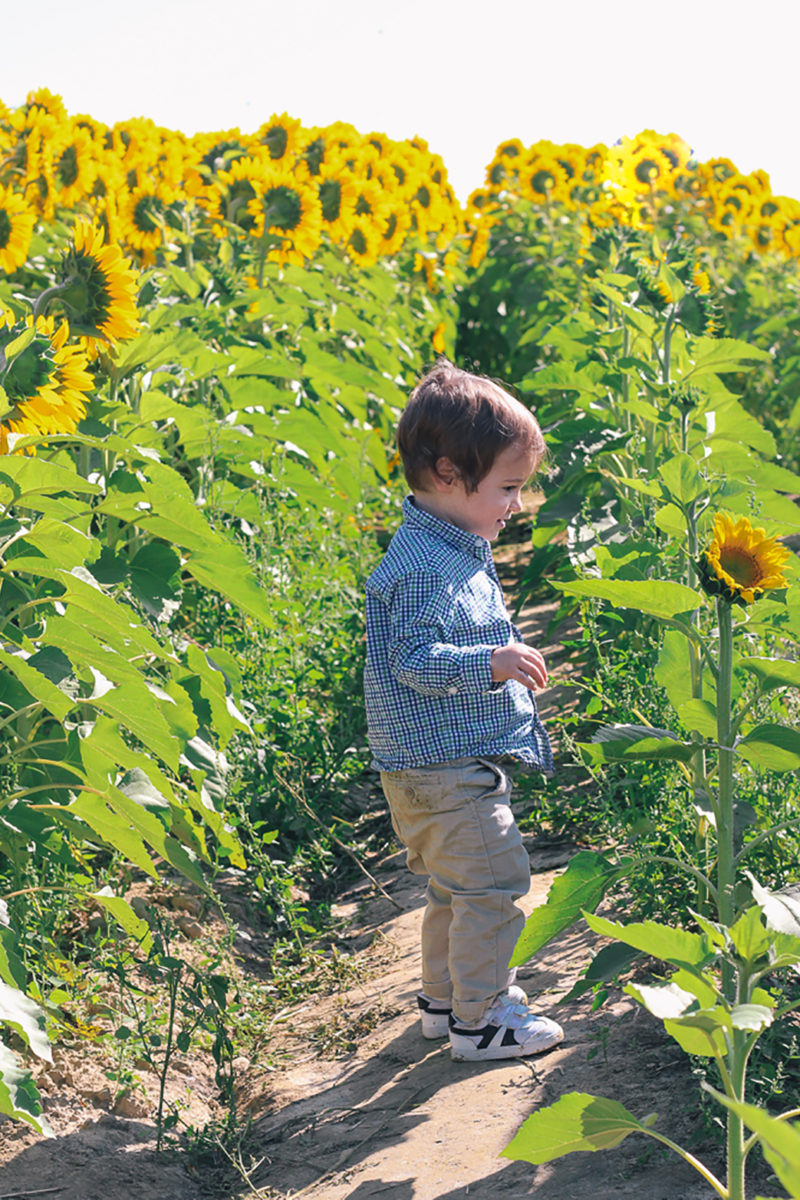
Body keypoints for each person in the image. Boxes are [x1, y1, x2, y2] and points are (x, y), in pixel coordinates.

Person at [364, 361, 564, 1062]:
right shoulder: (427, 566)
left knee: (456, 889)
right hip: (445, 771)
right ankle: (482, 1021)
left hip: (430, 766)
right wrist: (490, 663)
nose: (517, 503)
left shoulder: (442, 545)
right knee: (494, 884)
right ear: (449, 473)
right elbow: (414, 661)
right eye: (508, 488)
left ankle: (444, 1001)